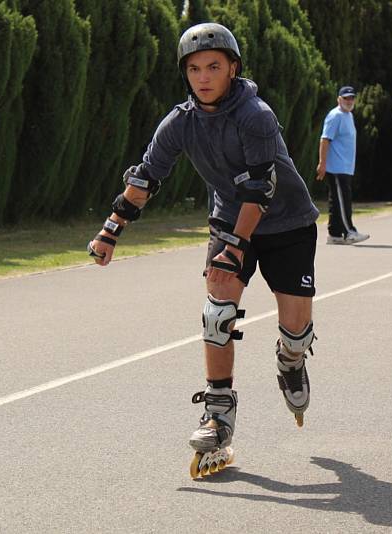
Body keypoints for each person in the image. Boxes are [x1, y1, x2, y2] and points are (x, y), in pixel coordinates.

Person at [87, 23, 320, 478]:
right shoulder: (180, 122)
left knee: (296, 329)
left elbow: (261, 188)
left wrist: (237, 245)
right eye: (194, 69)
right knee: (217, 309)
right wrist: (111, 229)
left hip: (286, 223)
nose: (203, 77)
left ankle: (291, 361)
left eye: (214, 66)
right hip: (229, 221)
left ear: (233, 68)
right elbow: (147, 177)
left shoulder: (255, 115)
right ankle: (218, 414)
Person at [316, 86, 369, 244]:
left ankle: (334, 234)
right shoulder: (335, 116)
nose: (349, 101)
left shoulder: (349, 116)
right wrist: (322, 163)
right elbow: (325, 139)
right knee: (343, 199)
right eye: (346, 98)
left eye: (352, 98)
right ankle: (349, 232)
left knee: (337, 200)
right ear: (339, 99)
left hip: (345, 167)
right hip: (337, 167)